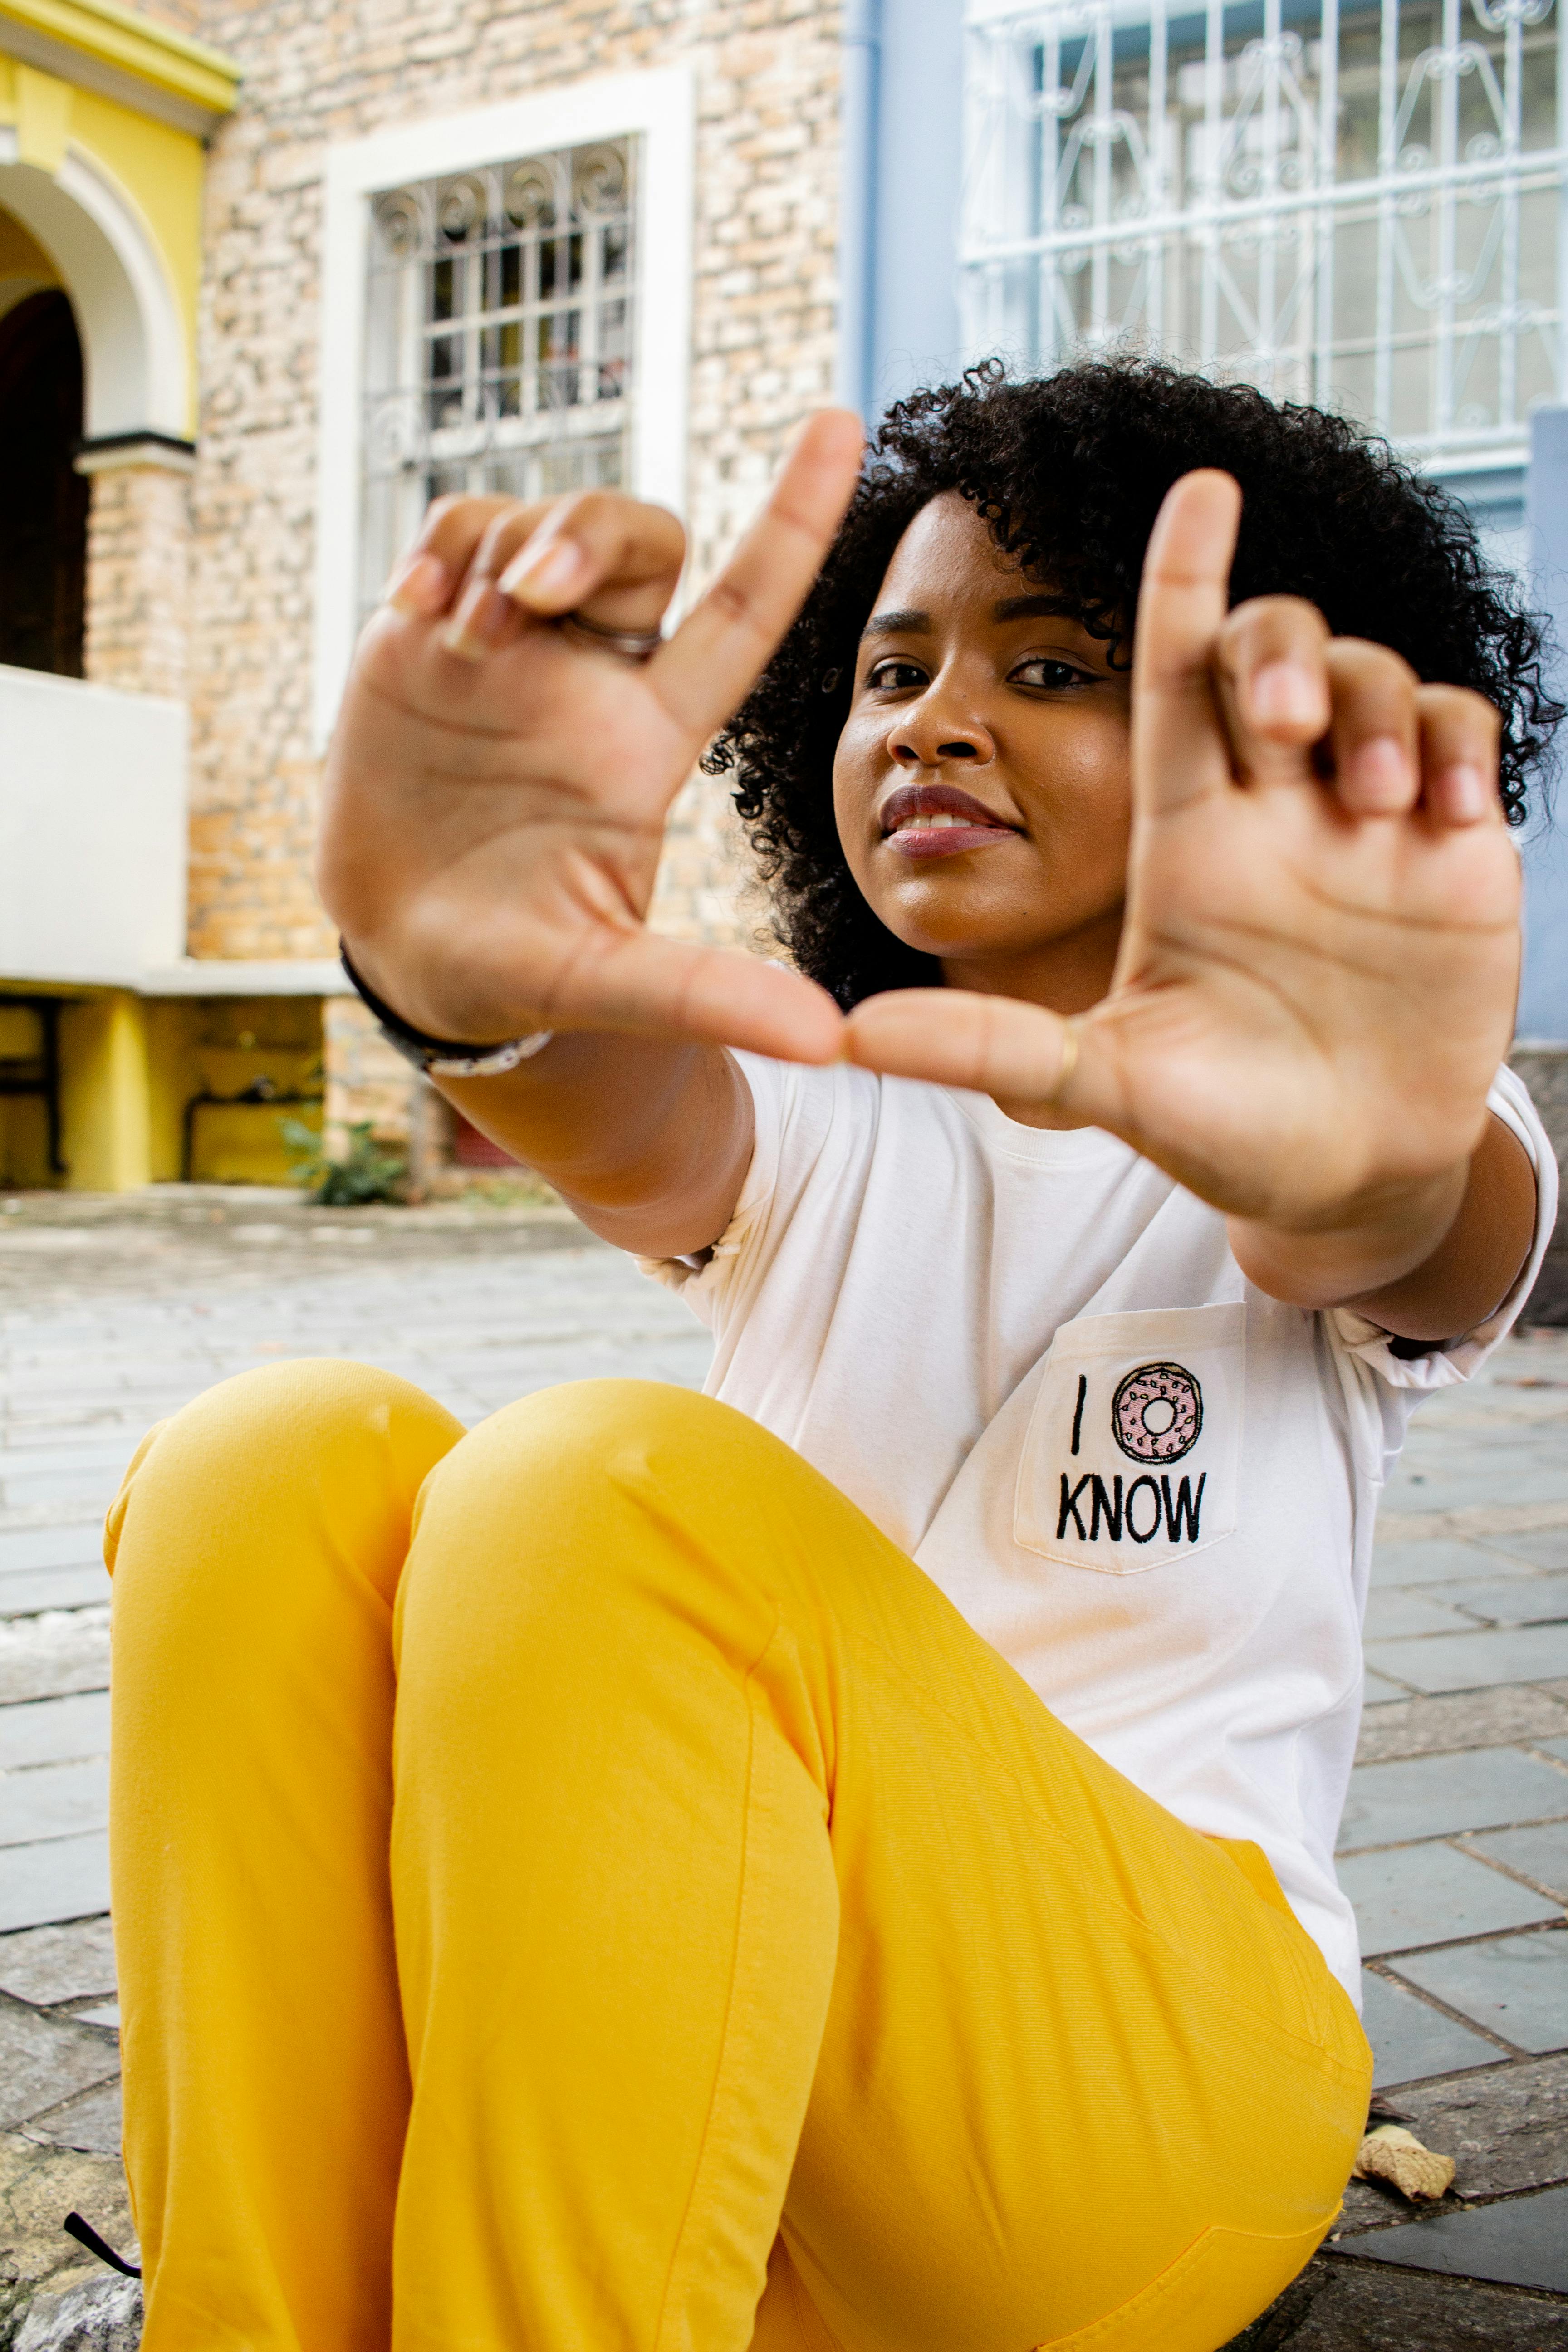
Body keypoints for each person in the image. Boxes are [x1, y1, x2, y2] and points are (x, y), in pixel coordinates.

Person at [107, 361, 1558, 2352]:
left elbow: (1418, 1237)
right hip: (728, 2115)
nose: (939, 715)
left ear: (1244, 742)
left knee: (600, 1496)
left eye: (1055, 670)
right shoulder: (832, 1107)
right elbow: (636, 1116)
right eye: (890, 672)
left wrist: (1368, 1162)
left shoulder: (1371, 1112)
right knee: (264, 1460)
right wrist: (458, 979)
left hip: (1123, 2129)